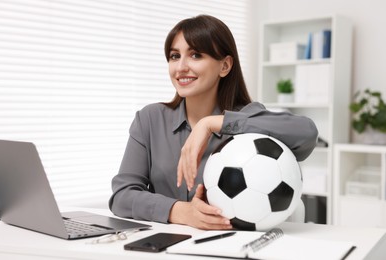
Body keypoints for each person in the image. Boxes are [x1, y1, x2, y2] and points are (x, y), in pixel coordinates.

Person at [109, 14, 318, 230]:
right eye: (174, 56)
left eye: (196, 55)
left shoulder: (248, 118)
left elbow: (306, 133)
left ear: (225, 66)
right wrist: (181, 211)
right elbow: (122, 196)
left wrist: (210, 123)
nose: (180, 67)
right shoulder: (150, 119)